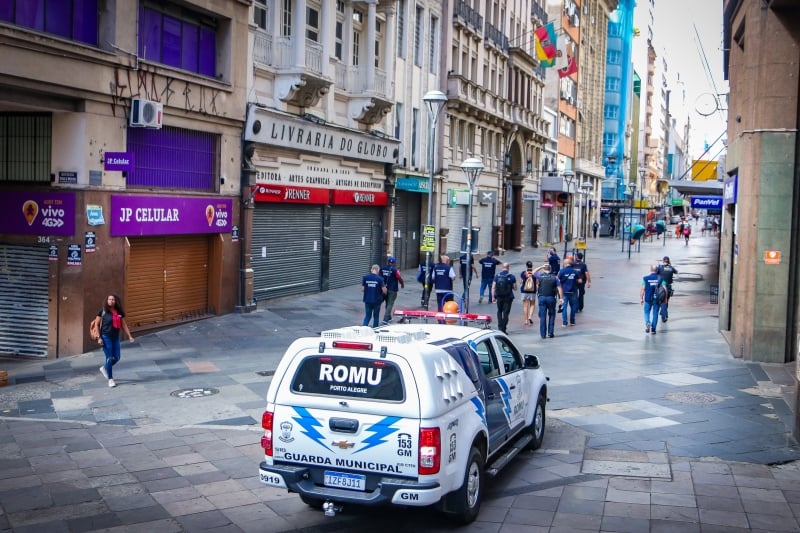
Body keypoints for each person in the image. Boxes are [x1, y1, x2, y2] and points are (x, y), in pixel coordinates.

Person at [91, 294, 134, 388]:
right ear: (107, 301)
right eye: (109, 299)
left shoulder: (119, 312)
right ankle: (110, 379)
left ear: (116, 301)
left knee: (117, 357)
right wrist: (99, 337)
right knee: (109, 358)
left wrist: (129, 336)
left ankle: (104, 368)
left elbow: (124, 325)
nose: (111, 301)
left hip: (115, 338)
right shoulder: (102, 311)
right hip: (105, 337)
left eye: (113, 299)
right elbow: (97, 325)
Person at [535, 264, 563, 338]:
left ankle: (543, 334)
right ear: (550, 270)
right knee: (552, 315)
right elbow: (559, 288)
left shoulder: (540, 276)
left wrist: (541, 266)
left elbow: (533, 272)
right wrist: (561, 298)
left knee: (542, 316)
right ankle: (550, 332)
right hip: (551, 298)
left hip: (542, 297)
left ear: (544, 270)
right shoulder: (555, 277)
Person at [641, 264, 667, 334]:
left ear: (650, 270)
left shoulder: (645, 278)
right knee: (655, 313)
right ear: (657, 270)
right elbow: (665, 289)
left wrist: (641, 298)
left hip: (648, 298)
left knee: (646, 312)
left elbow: (643, 289)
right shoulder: (661, 278)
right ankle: (653, 329)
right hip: (657, 299)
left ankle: (647, 323)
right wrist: (665, 299)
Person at [492, 263, 516, 334]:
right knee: (506, 313)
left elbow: (493, 287)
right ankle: (503, 328)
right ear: (508, 268)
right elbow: (515, 288)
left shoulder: (497, 276)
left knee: (499, 311)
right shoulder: (511, 276)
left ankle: (500, 327)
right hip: (508, 297)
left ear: (502, 267)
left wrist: (493, 297)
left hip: (499, 297)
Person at [557, 258, 580, 327]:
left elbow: (558, 281)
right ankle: (572, 321)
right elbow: (579, 280)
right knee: (573, 307)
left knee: (564, 307)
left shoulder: (561, 271)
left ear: (565, 264)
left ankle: (564, 322)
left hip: (564, 291)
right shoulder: (575, 272)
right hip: (573, 291)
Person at [381, 257, 405, 324]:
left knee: (386, 302)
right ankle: (385, 319)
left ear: (388, 262)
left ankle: (389, 317)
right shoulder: (395, 270)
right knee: (390, 304)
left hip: (384, 288)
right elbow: (399, 278)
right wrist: (402, 284)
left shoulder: (382, 268)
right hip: (392, 289)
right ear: (394, 263)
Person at [656, 256, 678, 323]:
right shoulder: (671, 268)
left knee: (661, 301)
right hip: (668, 287)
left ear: (663, 261)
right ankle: (663, 313)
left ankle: (663, 314)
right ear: (668, 261)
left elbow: (655, 272)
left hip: (661, 287)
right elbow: (676, 272)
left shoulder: (660, 267)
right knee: (666, 301)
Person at [519, 261, 538, 326]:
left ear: (526, 266)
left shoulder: (523, 273)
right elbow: (537, 283)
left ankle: (526, 320)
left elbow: (521, 282)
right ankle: (530, 316)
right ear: (532, 266)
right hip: (532, 291)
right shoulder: (535, 273)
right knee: (532, 305)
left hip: (524, 291)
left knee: (525, 306)